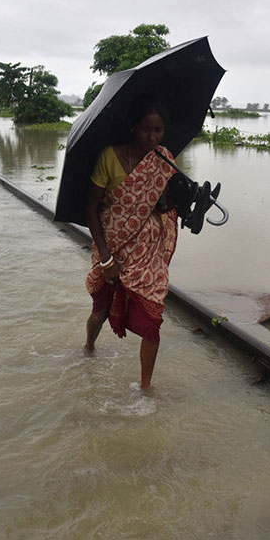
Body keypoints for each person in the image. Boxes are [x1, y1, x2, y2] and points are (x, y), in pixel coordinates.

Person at [83, 99, 178, 391]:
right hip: (113, 245)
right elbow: (91, 209)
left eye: (159, 130)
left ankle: (146, 386)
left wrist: (190, 196)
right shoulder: (109, 157)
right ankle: (88, 347)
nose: (152, 137)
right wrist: (105, 259)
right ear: (133, 128)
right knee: (100, 309)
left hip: (147, 250)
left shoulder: (164, 159)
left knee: (153, 317)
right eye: (146, 130)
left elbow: (166, 204)